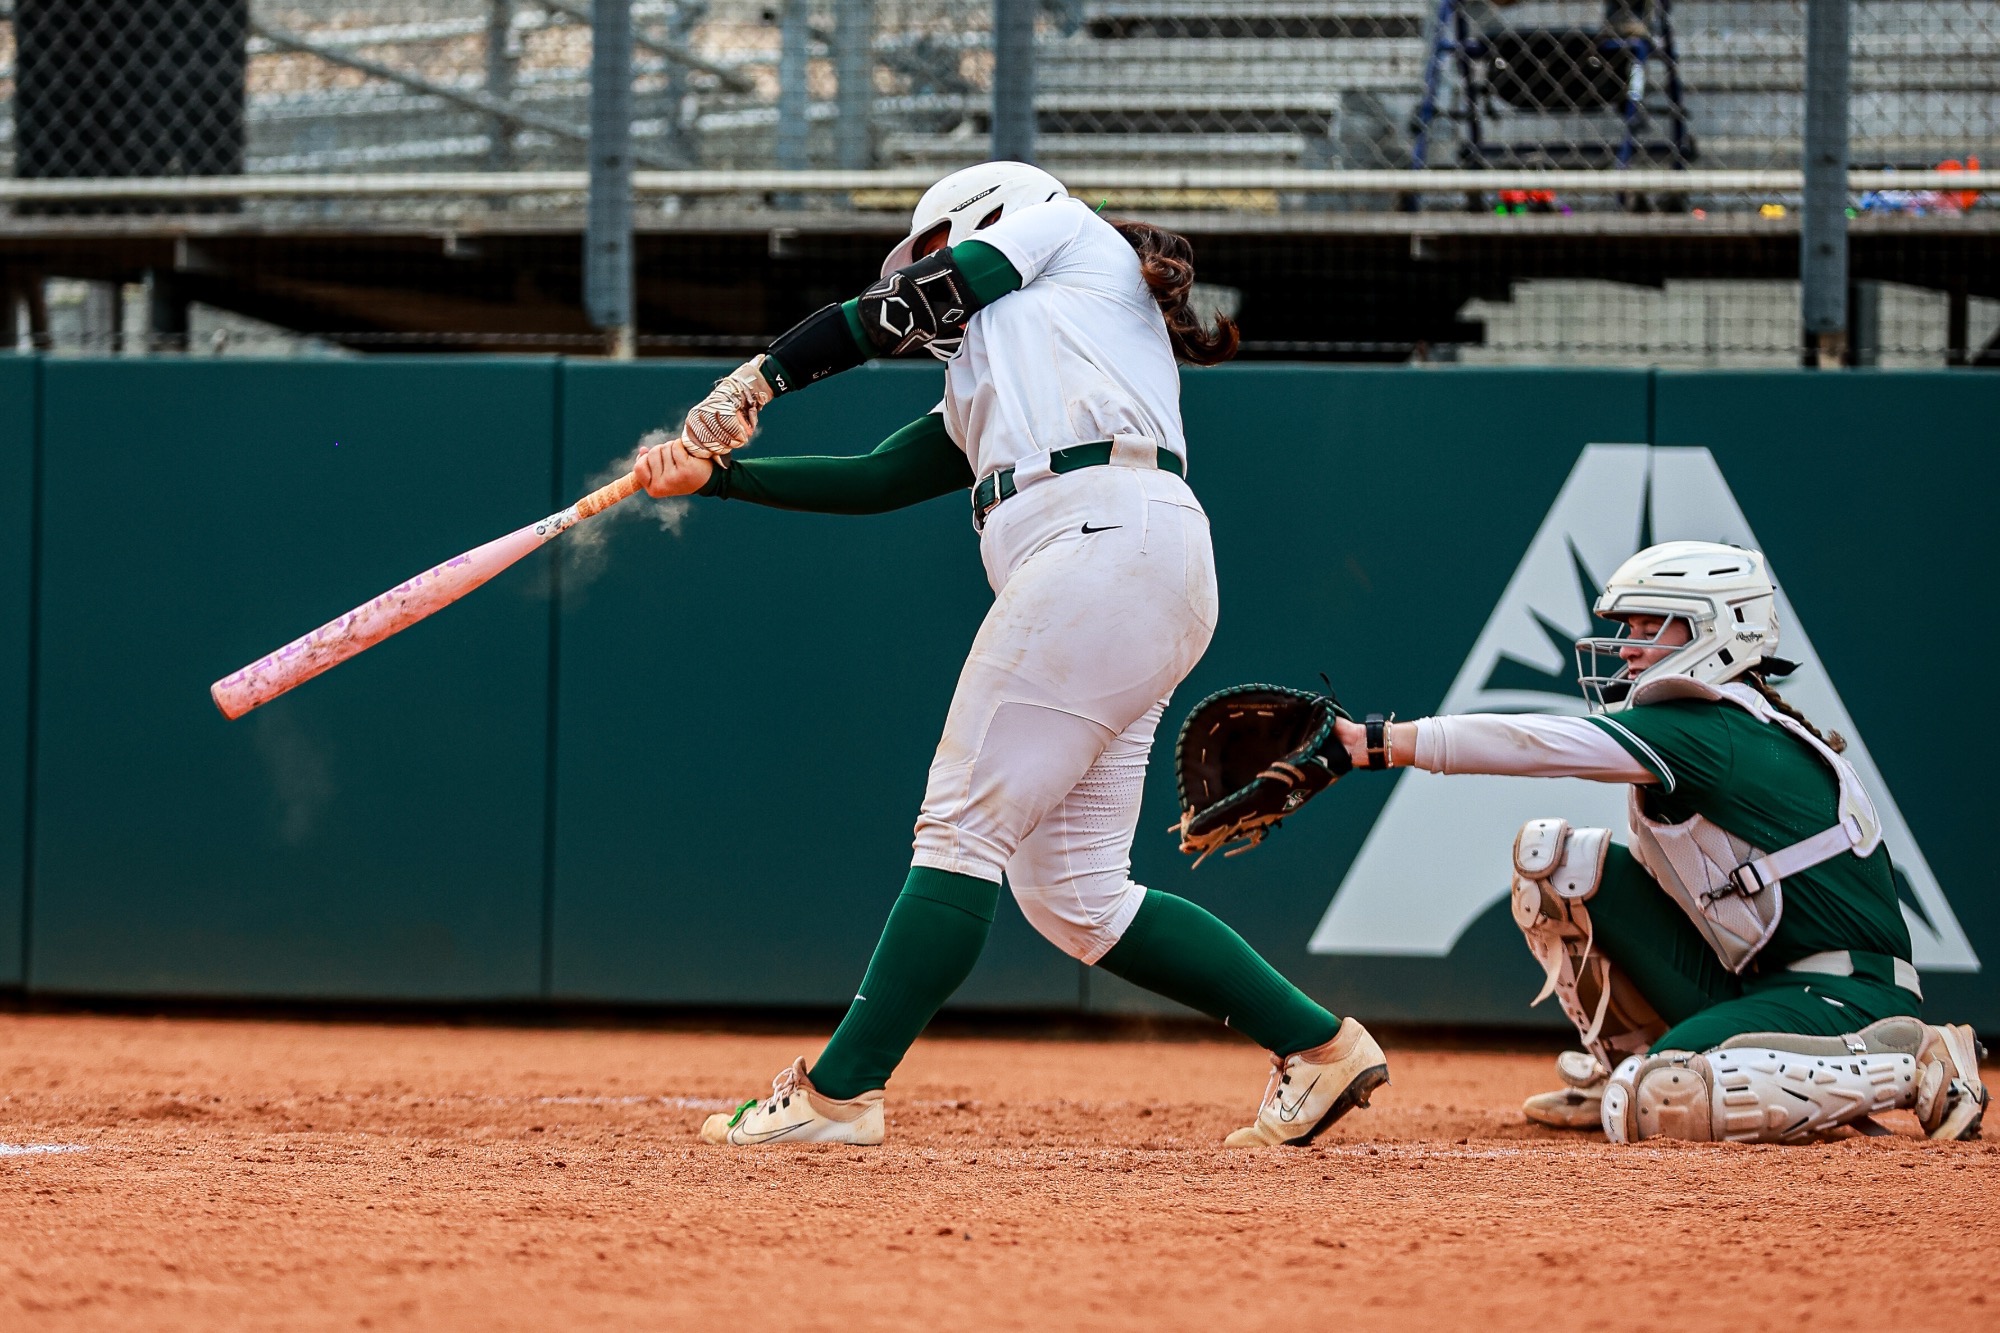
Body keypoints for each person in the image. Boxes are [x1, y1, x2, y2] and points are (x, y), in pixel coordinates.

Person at [632, 161, 1388, 1149]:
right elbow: (879, 477)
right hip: (1126, 561)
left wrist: (761, 376)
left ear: (987, 214)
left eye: (934, 246)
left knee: (958, 826)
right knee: (1076, 897)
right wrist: (720, 479)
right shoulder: (1012, 358)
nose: (926, 275)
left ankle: (839, 1093)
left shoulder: (1062, 228)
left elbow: (920, 297)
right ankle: (1319, 1045)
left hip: (1101, 541)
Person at [1327, 540, 1986, 1144]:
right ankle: (1628, 1063)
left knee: (1661, 1098)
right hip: (1760, 983)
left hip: (1852, 997)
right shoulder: (1716, 720)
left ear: (1716, 632)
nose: (1626, 646)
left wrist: (1379, 742)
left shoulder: (1709, 727)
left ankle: (1911, 1059)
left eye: (1649, 629)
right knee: (1555, 865)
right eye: (1629, 628)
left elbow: (1537, 744)